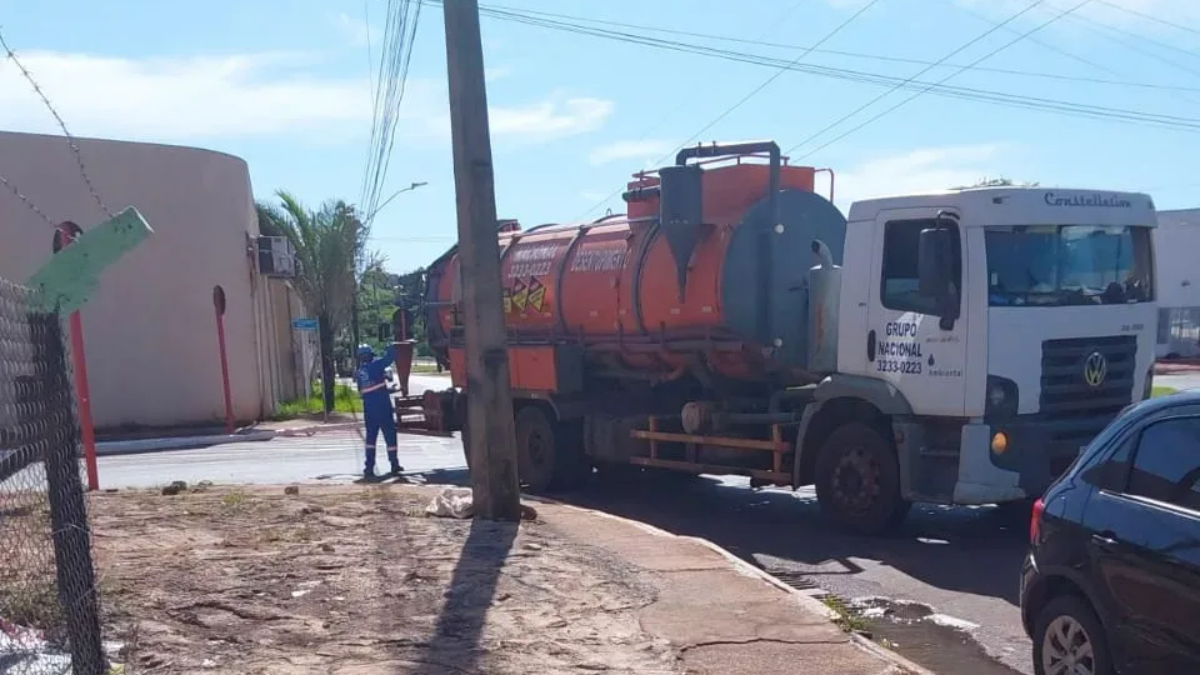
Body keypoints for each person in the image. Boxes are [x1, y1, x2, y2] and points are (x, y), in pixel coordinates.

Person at [354, 343, 403, 479]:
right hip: (382, 407)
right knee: (390, 435)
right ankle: (394, 464)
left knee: (370, 439)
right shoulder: (375, 365)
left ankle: (369, 467)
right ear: (369, 355)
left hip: (369, 409)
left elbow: (368, 391)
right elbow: (389, 358)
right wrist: (391, 347)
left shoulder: (359, 372)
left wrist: (389, 389)